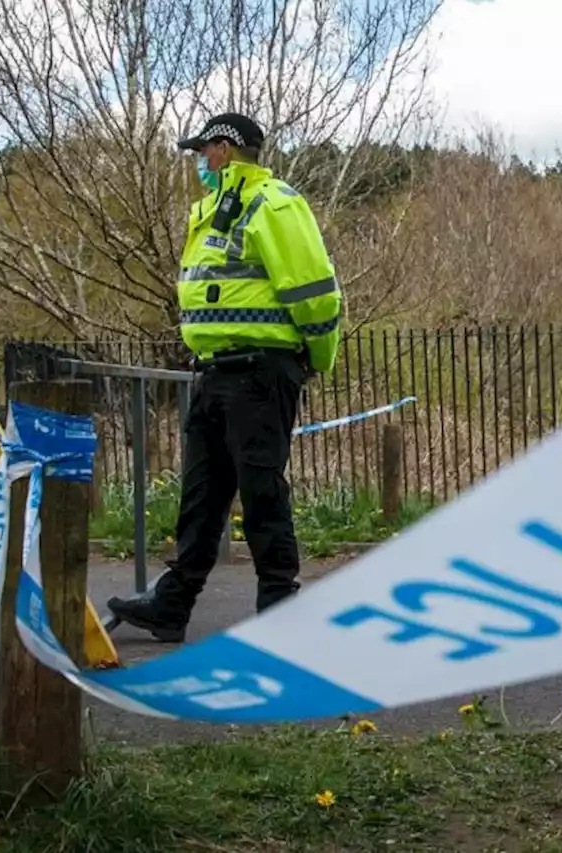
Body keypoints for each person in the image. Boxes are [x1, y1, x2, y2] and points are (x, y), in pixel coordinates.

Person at [107, 113, 342, 643]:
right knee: (202, 497)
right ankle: (172, 604)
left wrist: (316, 359)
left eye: (201, 152)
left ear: (223, 150)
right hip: (212, 374)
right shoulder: (212, 211)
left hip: (260, 372)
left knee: (262, 494)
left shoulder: (274, 203)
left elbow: (316, 296)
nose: (197, 163)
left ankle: (280, 610)